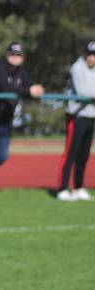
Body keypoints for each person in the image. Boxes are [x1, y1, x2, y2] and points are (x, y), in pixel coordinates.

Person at [0, 42, 44, 199]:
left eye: (18, 55)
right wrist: (28, 91)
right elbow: (5, 88)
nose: (15, 58)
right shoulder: (0, 68)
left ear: (23, 58)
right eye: (13, 54)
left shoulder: (22, 73)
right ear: (7, 55)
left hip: (4, 120)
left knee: (2, 155)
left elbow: (30, 86)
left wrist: (36, 89)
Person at [57, 40, 95, 201]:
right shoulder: (77, 68)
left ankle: (78, 187)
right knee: (71, 153)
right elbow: (84, 91)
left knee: (84, 154)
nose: (92, 58)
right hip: (77, 116)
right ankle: (62, 188)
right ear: (85, 55)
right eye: (90, 55)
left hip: (91, 115)